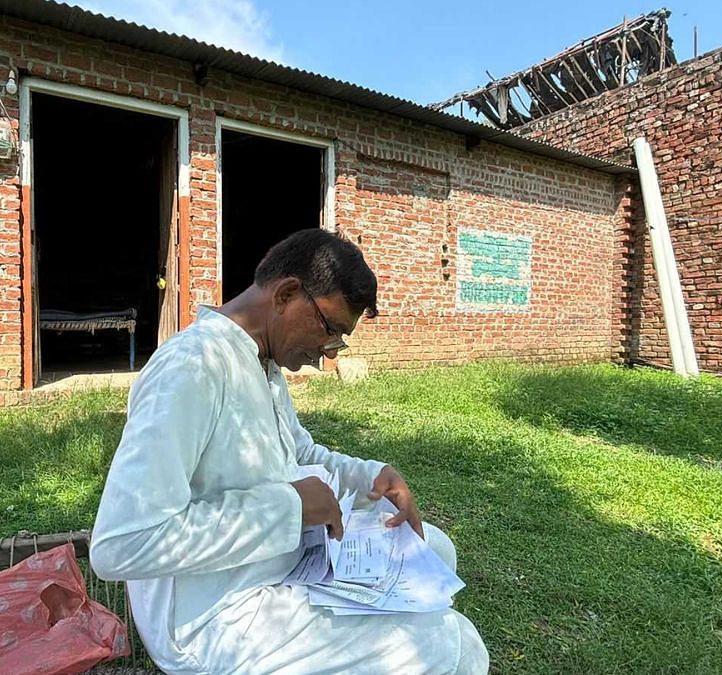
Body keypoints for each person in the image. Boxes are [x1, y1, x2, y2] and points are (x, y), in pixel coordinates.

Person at [90, 229, 488, 674]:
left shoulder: (262, 360)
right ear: (286, 294)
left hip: (280, 567)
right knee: (449, 642)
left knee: (433, 549)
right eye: (330, 329)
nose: (327, 352)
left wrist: (370, 475)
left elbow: (297, 451)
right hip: (214, 615)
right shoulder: (191, 368)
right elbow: (122, 545)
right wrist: (289, 508)